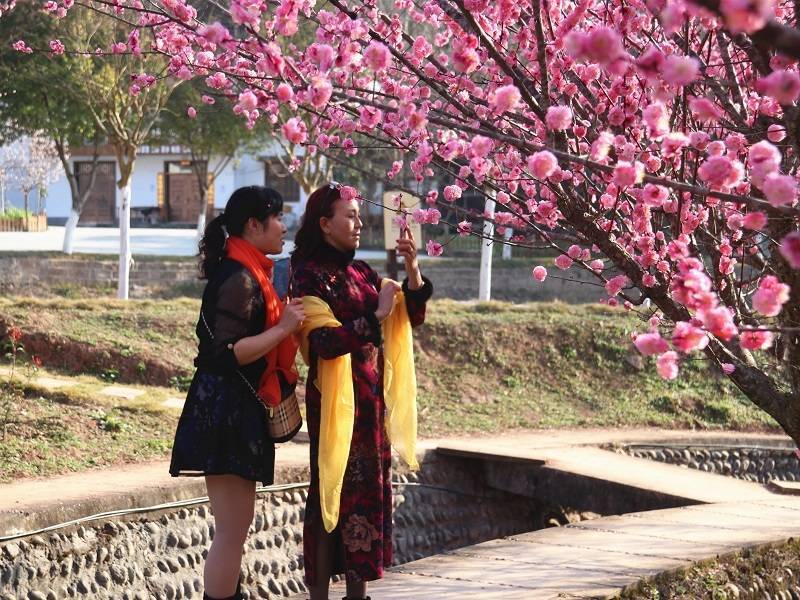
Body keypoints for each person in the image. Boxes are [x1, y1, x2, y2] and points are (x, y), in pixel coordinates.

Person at [289, 183, 433, 600]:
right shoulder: (308, 276)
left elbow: (409, 318)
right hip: (335, 410)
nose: (358, 222)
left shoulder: (361, 272)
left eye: (358, 214)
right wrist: (377, 314)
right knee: (329, 496)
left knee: (366, 500)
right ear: (324, 222)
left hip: (370, 408)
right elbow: (324, 343)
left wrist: (412, 271)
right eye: (349, 215)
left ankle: (358, 595)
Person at [169, 186, 305, 600]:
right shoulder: (239, 279)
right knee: (231, 529)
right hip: (224, 409)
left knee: (236, 526)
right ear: (253, 224)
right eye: (278, 218)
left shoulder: (252, 272)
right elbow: (227, 355)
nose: (284, 226)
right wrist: (283, 329)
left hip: (234, 408)